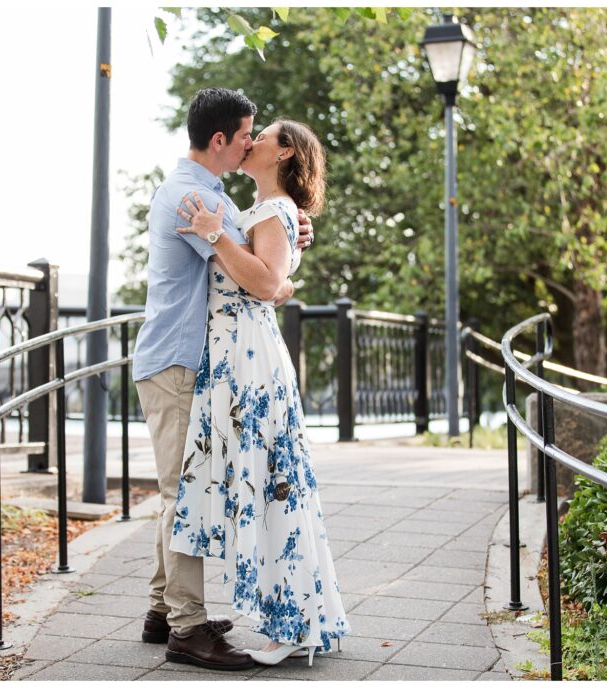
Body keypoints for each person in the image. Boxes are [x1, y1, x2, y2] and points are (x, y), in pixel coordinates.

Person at [133, 87, 313, 672]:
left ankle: (165, 611)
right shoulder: (191, 199)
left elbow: (256, 242)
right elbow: (256, 279)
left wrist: (288, 231)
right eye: (244, 136)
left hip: (186, 360)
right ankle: (186, 629)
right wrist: (283, 280)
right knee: (180, 493)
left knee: (178, 490)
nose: (249, 145)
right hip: (178, 362)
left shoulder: (211, 195)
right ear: (220, 141)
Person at [170, 117, 350, 668]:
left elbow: (267, 284)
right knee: (267, 480)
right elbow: (274, 280)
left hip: (249, 358)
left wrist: (213, 232)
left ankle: (291, 623)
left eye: (264, 135)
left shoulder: (271, 212)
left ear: (285, 152)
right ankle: (294, 615)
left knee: (270, 481)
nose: (253, 141)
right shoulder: (268, 212)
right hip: (237, 354)